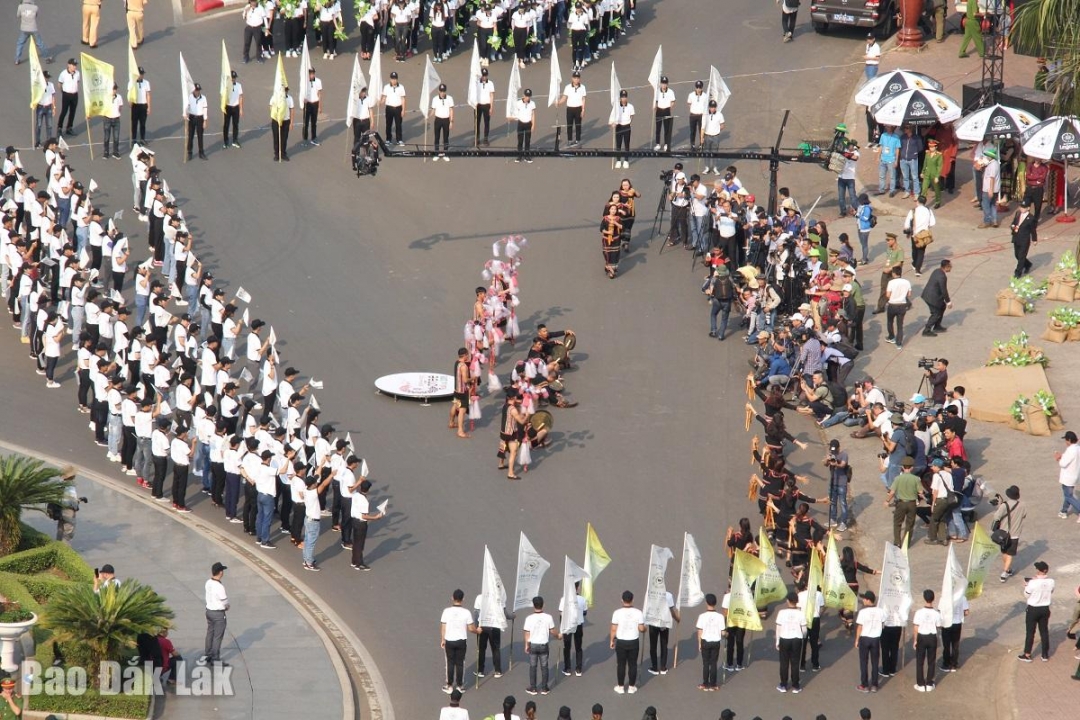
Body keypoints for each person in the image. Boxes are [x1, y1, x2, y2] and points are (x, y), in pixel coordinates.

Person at [441, 589, 478, 693]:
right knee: (460, 663)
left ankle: (449, 685)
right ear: (463, 599)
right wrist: (478, 631)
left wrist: (442, 639)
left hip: (449, 640)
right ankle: (460, 685)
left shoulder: (446, 611)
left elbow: (443, 626)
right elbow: (471, 629)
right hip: (461, 641)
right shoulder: (466, 612)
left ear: (452, 598)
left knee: (450, 663)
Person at [609, 590, 645, 694]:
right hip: (633, 641)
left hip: (621, 642)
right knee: (633, 664)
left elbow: (613, 629)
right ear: (632, 600)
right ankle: (631, 687)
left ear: (622, 600)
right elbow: (641, 628)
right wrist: (645, 628)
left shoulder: (617, 613)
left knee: (621, 664)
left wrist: (611, 640)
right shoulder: (638, 612)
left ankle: (620, 687)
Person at [1018, 561, 1054, 662]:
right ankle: (1045, 654)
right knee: (1044, 632)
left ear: (1040, 571)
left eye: (1037, 569)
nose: (1036, 570)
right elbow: (1051, 591)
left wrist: (1026, 585)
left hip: (1033, 609)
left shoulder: (1032, 583)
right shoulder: (1051, 581)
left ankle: (1027, 654)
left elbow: (1026, 595)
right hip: (1045, 609)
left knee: (1030, 632)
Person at [523, 595, 558, 695]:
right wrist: (558, 635)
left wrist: (526, 645)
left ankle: (533, 688)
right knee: (544, 666)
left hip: (533, 645)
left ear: (533, 605)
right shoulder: (548, 617)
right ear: (543, 605)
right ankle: (544, 688)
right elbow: (552, 631)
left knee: (533, 666)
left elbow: (527, 633)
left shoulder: (529, 618)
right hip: (543, 645)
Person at [775, 590, 806, 693]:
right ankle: (796, 685)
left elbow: (778, 628)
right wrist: (803, 637)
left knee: (784, 662)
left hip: (784, 638)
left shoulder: (781, 613)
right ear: (797, 601)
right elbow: (804, 629)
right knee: (795, 662)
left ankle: (783, 685)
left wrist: (777, 641)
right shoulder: (801, 613)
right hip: (797, 639)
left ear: (788, 601)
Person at [349, 479, 384, 570]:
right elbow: (364, 516)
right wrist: (375, 518)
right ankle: (359, 563)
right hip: (361, 524)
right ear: (368, 490)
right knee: (360, 544)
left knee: (355, 542)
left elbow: (351, 490)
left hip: (354, 521)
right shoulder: (365, 502)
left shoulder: (356, 495)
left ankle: (354, 561)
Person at [993, 485, 1026, 582]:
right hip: (1015, 534)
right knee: (1010, 554)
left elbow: (996, 517)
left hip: (1003, 534)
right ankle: (1006, 570)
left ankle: (1005, 571)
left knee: (1004, 552)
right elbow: (1024, 515)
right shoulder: (1022, 505)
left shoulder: (1004, 505)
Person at [912, 589, 942, 691]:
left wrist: (915, 640)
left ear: (924, 598)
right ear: (933, 599)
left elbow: (916, 627)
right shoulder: (936, 613)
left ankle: (920, 684)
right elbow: (939, 626)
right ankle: (929, 683)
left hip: (922, 637)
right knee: (931, 661)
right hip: (932, 637)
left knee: (920, 661)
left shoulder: (919, 612)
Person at [886, 457, 920, 546]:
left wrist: (887, 501)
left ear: (902, 467)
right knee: (910, 524)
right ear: (912, 468)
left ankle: (897, 542)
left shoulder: (898, 478)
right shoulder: (916, 479)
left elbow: (892, 492)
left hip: (901, 503)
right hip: (912, 503)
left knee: (897, 523)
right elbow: (920, 492)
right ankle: (906, 543)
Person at [855, 590, 884, 692]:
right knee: (875, 662)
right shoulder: (880, 611)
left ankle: (864, 685)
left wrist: (857, 640)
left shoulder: (862, 612)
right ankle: (874, 685)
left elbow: (860, 627)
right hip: (875, 639)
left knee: (864, 662)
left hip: (865, 638)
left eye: (864, 598)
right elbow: (883, 623)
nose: (863, 600)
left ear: (868, 600)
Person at [646, 589, 680, 677]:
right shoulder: (668, 595)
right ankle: (663, 667)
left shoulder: (650, 593)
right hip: (664, 623)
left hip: (653, 622)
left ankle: (654, 667)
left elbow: (647, 608)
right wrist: (677, 619)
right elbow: (672, 611)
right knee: (664, 644)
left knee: (653, 645)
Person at [202, 562, 229, 666]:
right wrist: (227, 607)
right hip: (218, 614)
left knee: (210, 633)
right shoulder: (219, 586)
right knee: (218, 636)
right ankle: (215, 658)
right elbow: (224, 601)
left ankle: (208, 654)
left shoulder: (208, 582)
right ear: (220, 572)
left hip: (209, 611)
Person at [696, 593, 725, 691]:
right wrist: (727, 635)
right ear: (715, 603)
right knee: (713, 663)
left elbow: (700, 631)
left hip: (705, 641)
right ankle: (713, 685)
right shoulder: (720, 617)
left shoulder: (702, 616)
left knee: (706, 663)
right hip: (716, 642)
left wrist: (699, 643)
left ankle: (705, 684)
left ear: (706, 603)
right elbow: (723, 632)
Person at [558, 581, 586, 677]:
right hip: (578, 625)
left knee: (567, 647)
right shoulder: (582, 599)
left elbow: (561, 613)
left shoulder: (564, 599)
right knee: (578, 647)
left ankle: (568, 668)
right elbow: (585, 612)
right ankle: (579, 669)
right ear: (578, 587)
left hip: (567, 625)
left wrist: (561, 628)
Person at [903, 195, 934, 277]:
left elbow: (907, 223)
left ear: (918, 202)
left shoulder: (913, 211)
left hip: (915, 234)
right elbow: (932, 223)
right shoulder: (928, 210)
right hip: (924, 235)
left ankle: (914, 263)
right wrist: (927, 226)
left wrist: (907, 230)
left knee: (914, 249)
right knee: (921, 252)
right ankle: (918, 269)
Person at [920, 259, 952, 337]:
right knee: (936, 313)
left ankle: (937, 326)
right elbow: (943, 290)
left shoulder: (937, 271)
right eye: (950, 266)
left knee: (942, 306)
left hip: (928, 294)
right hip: (932, 297)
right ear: (946, 267)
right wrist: (948, 301)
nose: (951, 268)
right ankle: (926, 330)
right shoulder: (942, 277)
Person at [884, 265, 912, 350]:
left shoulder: (891, 282)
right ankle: (899, 343)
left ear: (893, 273)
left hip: (892, 305)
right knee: (900, 325)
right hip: (902, 305)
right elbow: (909, 294)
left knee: (890, 322)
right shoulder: (907, 282)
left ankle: (891, 337)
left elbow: (888, 295)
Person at [15, 0, 51, 65]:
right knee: (40, 43)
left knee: (20, 43)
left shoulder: (20, 7)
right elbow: (36, 16)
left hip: (24, 29)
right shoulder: (35, 7)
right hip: (33, 29)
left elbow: (18, 15)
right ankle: (47, 58)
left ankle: (17, 60)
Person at [940, 591, 969, 672]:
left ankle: (946, 664)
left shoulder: (944, 598)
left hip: (946, 624)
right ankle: (954, 664)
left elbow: (940, 611)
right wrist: (960, 615)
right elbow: (966, 612)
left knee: (946, 645)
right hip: (957, 624)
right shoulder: (962, 597)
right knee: (955, 645)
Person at [707, 264, 736, 340]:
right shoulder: (729, 278)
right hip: (727, 302)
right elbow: (734, 287)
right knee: (724, 319)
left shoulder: (715, 279)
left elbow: (711, 291)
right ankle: (721, 335)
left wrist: (710, 298)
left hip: (717, 301)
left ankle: (713, 331)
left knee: (713, 314)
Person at [55, 466, 83, 543]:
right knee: (68, 531)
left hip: (61, 507)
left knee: (61, 528)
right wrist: (76, 503)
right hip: (68, 509)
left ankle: (58, 546)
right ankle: (65, 549)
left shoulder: (60, 483)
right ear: (72, 476)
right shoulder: (69, 485)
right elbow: (70, 499)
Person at [1010, 199, 1037, 277]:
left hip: (1024, 240)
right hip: (1016, 237)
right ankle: (1027, 264)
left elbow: (1033, 229)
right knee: (1017, 255)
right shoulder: (1018, 213)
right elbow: (1014, 222)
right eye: (1021, 207)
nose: (1021, 209)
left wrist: (1034, 239)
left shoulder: (1031, 218)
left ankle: (1017, 273)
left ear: (1028, 208)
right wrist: (1013, 227)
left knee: (1021, 256)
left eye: (1024, 207)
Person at [1056, 431, 1080, 518]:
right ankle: (1064, 511)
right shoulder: (1078, 448)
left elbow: (1063, 464)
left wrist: (1058, 459)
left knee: (1068, 496)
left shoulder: (1071, 450)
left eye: (1066, 440)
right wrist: (1062, 456)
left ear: (1069, 440)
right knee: (1067, 495)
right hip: (1075, 476)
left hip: (1068, 477)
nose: (1065, 442)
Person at [561, 71, 587, 148]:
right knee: (569, 125)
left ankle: (578, 141)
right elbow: (564, 98)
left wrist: (583, 109)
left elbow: (583, 99)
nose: (576, 79)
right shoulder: (567, 87)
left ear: (579, 79)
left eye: (577, 78)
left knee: (578, 125)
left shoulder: (583, 87)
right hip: (570, 109)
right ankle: (569, 141)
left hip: (578, 108)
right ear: (572, 78)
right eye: (575, 78)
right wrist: (558, 102)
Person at [611, 89, 634, 170]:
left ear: (627, 98)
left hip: (627, 127)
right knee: (618, 144)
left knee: (626, 144)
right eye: (622, 97)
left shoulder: (630, 106)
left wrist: (629, 122)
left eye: (625, 97)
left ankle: (626, 160)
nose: (624, 99)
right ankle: (618, 160)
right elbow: (613, 116)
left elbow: (632, 115)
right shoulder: (616, 106)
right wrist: (613, 123)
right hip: (619, 126)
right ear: (620, 98)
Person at [977, 148, 1001, 229]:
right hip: (995, 189)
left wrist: (990, 189)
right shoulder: (993, 164)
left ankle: (987, 221)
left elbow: (992, 178)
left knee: (986, 205)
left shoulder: (993, 165)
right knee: (993, 205)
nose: (986, 157)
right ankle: (994, 220)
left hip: (989, 189)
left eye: (987, 156)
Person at [270, 84, 294, 162]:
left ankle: (283, 153)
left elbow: (292, 110)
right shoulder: (275, 97)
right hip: (276, 120)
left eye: (287, 90)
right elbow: (270, 106)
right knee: (276, 137)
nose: (286, 91)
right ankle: (277, 154)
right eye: (284, 90)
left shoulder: (290, 98)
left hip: (286, 120)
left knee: (284, 138)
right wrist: (274, 114)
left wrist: (291, 122)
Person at [430, 84, 454, 161]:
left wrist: (451, 121)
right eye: (441, 91)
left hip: (446, 120)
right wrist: (428, 116)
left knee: (446, 138)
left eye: (443, 91)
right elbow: (433, 110)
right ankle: (436, 153)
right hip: (438, 120)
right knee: (437, 137)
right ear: (438, 91)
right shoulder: (435, 99)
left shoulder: (450, 98)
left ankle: (445, 154)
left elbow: (451, 110)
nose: (442, 93)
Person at [382, 72, 406, 145]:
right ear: (390, 79)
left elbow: (403, 99)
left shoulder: (401, 87)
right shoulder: (386, 87)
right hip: (389, 108)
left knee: (398, 124)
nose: (394, 81)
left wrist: (403, 110)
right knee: (388, 124)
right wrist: (380, 102)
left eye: (395, 79)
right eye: (392, 79)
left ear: (397, 79)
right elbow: (384, 97)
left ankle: (399, 139)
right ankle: (388, 139)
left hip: (398, 108)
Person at [57, 59, 80, 137]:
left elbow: (77, 82)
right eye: (73, 65)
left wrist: (75, 90)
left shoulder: (77, 73)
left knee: (72, 112)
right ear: (69, 65)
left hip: (75, 95)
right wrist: (63, 92)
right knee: (64, 111)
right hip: (66, 95)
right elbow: (59, 84)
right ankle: (59, 128)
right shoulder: (63, 74)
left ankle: (69, 127)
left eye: (75, 65)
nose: (75, 67)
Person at [513, 89, 537, 164]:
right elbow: (515, 113)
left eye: (529, 96)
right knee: (520, 141)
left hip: (528, 123)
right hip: (521, 123)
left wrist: (533, 124)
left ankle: (527, 156)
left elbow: (533, 114)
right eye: (526, 96)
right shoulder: (518, 103)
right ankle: (519, 156)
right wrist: (511, 117)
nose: (527, 98)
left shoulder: (532, 104)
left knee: (527, 141)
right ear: (523, 95)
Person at [129, 66, 151, 146]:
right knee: (134, 123)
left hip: (143, 105)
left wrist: (149, 106)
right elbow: (129, 94)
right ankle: (134, 139)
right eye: (140, 74)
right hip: (135, 105)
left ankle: (142, 139)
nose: (142, 75)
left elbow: (148, 95)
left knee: (143, 123)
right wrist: (130, 102)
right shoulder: (132, 83)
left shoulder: (146, 83)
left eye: (142, 74)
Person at [876, 126, 901, 197]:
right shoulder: (883, 135)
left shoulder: (896, 137)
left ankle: (892, 191)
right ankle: (881, 189)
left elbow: (897, 149)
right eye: (887, 127)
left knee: (892, 176)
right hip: (883, 158)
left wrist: (896, 160)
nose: (887, 128)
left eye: (889, 127)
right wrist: (878, 156)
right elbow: (881, 146)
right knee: (881, 175)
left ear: (892, 128)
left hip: (891, 159)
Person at [186, 84, 208, 161]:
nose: (198, 92)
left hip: (200, 118)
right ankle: (189, 152)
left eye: (199, 90)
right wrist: (186, 115)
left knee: (200, 136)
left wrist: (205, 121)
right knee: (190, 136)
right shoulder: (189, 97)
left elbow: (205, 110)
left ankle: (201, 152)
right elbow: (187, 107)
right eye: (196, 90)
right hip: (192, 117)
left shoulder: (203, 98)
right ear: (194, 90)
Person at [34, 70, 55, 150]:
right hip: (40, 107)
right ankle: (37, 142)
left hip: (48, 107)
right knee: (39, 125)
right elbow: (35, 95)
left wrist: (54, 107)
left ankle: (49, 142)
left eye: (48, 78)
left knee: (49, 125)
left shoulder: (51, 85)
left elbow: (53, 96)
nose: (47, 79)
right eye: (46, 77)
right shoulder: (38, 85)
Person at [653, 76, 675, 152]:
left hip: (666, 110)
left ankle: (666, 144)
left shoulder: (671, 92)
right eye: (662, 83)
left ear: (667, 84)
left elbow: (673, 101)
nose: (664, 85)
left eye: (665, 83)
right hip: (659, 111)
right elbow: (655, 101)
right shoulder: (657, 91)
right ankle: (657, 144)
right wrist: (655, 106)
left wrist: (670, 107)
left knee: (666, 129)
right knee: (658, 129)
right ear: (660, 84)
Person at [921, 139, 944, 208]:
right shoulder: (927, 153)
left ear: (936, 147)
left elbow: (939, 166)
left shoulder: (939, 155)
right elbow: (925, 163)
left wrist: (937, 176)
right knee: (924, 188)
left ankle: (938, 202)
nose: (931, 148)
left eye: (932, 147)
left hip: (934, 174)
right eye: (930, 146)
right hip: (927, 174)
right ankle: (922, 204)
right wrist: (922, 172)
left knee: (936, 189)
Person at [302, 67, 322, 146]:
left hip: (315, 103)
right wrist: (303, 100)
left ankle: (313, 138)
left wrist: (320, 106)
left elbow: (320, 94)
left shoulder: (318, 81)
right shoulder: (305, 82)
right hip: (307, 104)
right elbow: (302, 92)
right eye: (310, 73)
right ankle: (305, 139)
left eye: (313, 73)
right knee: (305, 122)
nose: (312, 75)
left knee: (314, 122)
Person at [223, 70, 243, 149]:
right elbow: (223, 96)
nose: (234, 79)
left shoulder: (239, 85)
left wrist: (241, 109)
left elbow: (241, 97)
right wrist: (223, 106)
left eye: (235, 78)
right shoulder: (226, 86)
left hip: (236, 107)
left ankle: (235, 140)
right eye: (233, 78)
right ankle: (225, 141)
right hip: (228, 107)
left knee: (235, 124)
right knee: (226, 125)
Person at [475, 68, 494, 147]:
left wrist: (491, 107)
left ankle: (485, 139)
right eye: (483, 75)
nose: (484, 77)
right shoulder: (476, 83)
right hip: (478, 105)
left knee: (486, 122)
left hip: (486, 105)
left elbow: (492, 95)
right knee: (477, 123)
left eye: (485, 75)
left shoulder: (490, 83)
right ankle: (477, 139)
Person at [687, 80, 708, 151]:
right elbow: (689, 104)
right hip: (693, 115)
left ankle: (701, 144)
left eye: (700, 87)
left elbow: (706, 106)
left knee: (701, 131)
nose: (698, 89)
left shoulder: (705, 96)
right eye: (697, 87)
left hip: (701, 116)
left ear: (702, 88)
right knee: (692, 131)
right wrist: (693, 110)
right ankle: (692, 145)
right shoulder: (691, 95)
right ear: (695, 88)